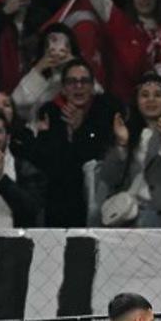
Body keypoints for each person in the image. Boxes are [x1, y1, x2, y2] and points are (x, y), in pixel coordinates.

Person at [94, 71, 161, 228]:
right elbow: (109, 178)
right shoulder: (124, 131)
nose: (151, 100)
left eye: (157, 95)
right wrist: (121, 144)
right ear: (136, 100)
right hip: (130, 219)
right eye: (144, 95)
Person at [34, 59, 120, 227]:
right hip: (60, 202)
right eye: (72, 82)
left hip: (98, 197)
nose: (78, 86)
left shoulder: (106, 110)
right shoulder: (50, 113)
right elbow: (48, 161)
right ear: (64, 89)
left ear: (93, 86)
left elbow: (101, 152)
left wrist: (81, 129)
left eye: (84, 81)